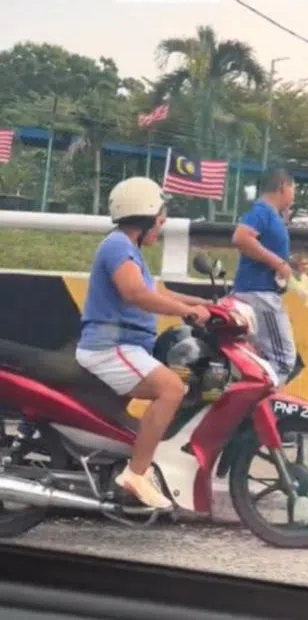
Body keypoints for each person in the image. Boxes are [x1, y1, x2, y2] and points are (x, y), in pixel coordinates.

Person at [75, 177, 212, 510]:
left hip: (125, 346)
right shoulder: (118, 246)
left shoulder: (127, 248)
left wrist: (207, 302)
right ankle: (137, 473)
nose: (161, 227)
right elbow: (135, 295)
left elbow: (155, 292)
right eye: (161, 220)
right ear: (147, 216)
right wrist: (186, 312)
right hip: (111, 347)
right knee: (171, 389)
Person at [230, 169, 308, 383]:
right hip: (260, 297)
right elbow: (241, 237)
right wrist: (278, 262)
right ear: (283, 187)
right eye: (293, 189)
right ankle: (252, 405)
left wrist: (289, 265)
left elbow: (261, 251)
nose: (294, 195)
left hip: (256, 293)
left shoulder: (270, 215)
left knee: (256, 357)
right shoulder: (262, 211)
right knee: (283, 360)